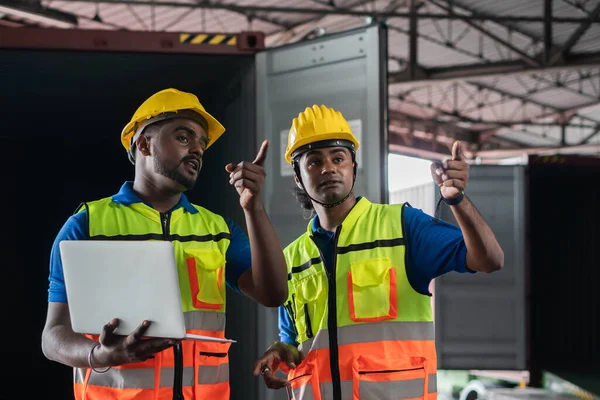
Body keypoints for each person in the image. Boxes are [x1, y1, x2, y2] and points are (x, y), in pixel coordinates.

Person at [41, 88, 288, 400]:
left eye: (202, 143)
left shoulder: (216, 229)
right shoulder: (87, 225)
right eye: (184, 137)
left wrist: (253, 208)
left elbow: (274, 294)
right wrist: (101, 355)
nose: (197, 149)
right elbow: (53, 337)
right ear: (144, 144)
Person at [252, 104, 504, 400]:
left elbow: (490, 260)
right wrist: (281, 350)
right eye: (313, 161)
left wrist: (457, 199)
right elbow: (293, 342)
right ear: (298, 177)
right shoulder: (290, 259)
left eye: (338, 158)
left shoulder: (403, 227)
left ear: (353, 168)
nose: (328, 168)